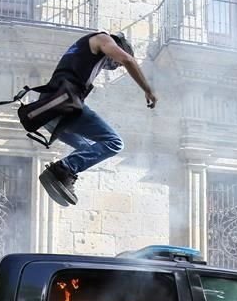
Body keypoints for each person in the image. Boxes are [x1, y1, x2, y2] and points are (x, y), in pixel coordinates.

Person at [37, 31, 157, 207]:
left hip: (48, 111)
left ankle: (58, 175)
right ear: (119, 47)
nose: (115, 65)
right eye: (116, 62)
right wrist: (148, 89)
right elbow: (128, 60)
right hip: (64, 104)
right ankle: (63, 169)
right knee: (114, 143)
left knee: (88, 148)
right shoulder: (102, 39)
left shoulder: (84, 51)